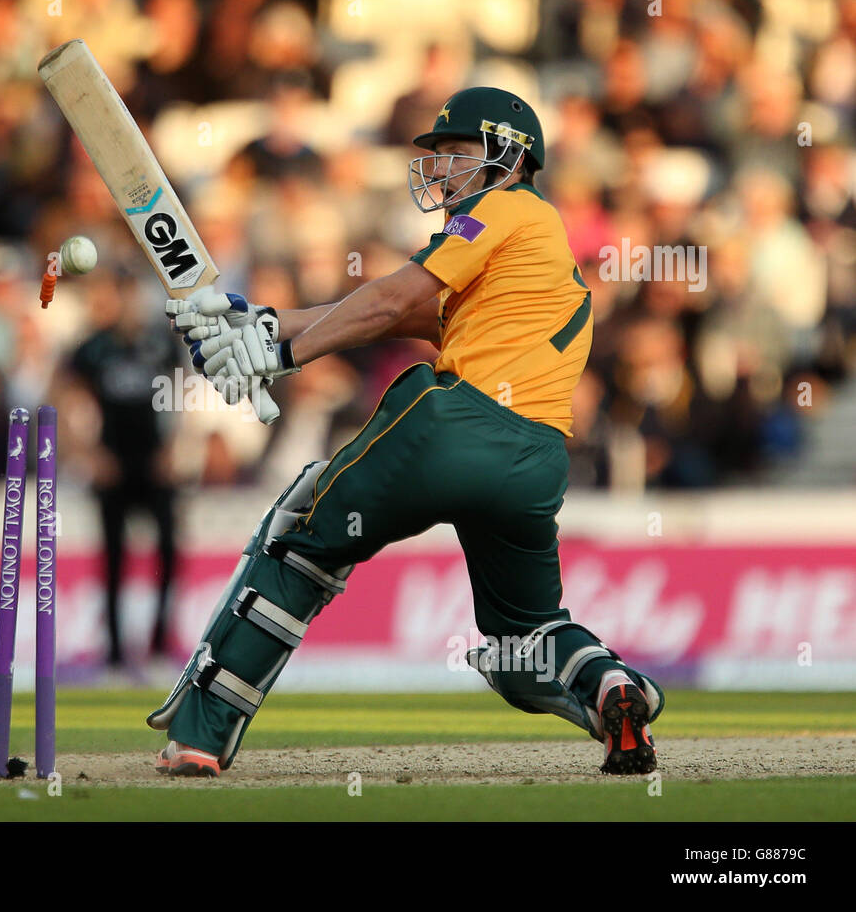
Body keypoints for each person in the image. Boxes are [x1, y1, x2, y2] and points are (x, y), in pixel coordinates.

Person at [151, 87, 665, 778]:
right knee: (522, 641)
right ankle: (611, 687)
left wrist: (275, 357)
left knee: (303, 532)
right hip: (536, 462)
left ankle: (199, 734)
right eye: (440, 153)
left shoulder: (504, 208)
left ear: (510, 157)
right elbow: (388, 314)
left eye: (459, 152)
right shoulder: (536, 262)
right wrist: (260, 320)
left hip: (452, 427)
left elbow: (394, 296)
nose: (443, 166)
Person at [68, 271, 181, 668]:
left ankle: (160, 641)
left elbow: (180, 393)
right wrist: (89, 453)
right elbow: (63, 398)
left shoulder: (160, 345)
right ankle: (114, 650)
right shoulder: (94, 348)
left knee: (168, 549)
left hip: (154, 460)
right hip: (113, 461)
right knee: (113, 555)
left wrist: (173, 448)